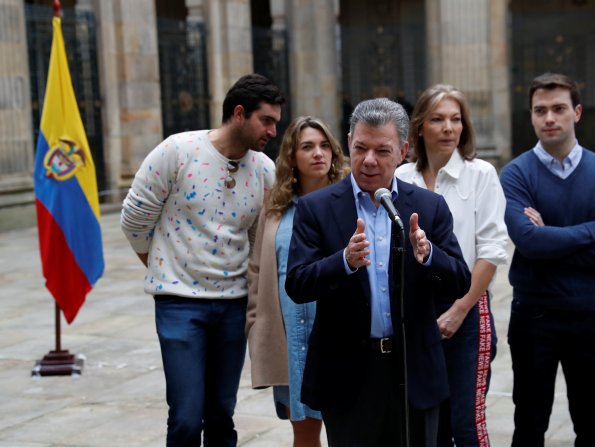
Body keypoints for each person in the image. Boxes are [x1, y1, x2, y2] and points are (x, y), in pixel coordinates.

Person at [285, 98, 471, 447]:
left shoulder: (428, 207)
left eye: (382, 151)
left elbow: (461, 280)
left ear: (402, 151)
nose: (369, 160)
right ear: (350, 142)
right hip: (348, 374)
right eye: (360, 148)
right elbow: (297, 283)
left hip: (412, 370)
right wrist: (343, 261)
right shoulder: (317, 208)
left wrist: (429, 254)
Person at [120, 74, 285, 447]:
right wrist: (165, 268)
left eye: (276, 121)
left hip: (233, 307)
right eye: (267, 120)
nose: (273, 131)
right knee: (185, 417)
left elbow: (261, 239)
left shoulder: (264, 170)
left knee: (221, 416)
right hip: (179, 306)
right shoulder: (177, 152)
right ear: (239, 114)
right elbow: (134, 220)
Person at [499, 72, 595, 447]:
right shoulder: (514, 174)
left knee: (593, 427)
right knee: (529, 425)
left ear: (576, 112)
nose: (549, 118)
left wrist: (549, 240)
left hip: (592, 316)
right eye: (540, 110)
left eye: (558, 108)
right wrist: (594, 229)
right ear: (531, 116)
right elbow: (528, 243)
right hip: (534, 319)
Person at [396, 84, 508, 447]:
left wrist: (461, 309)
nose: (448, 128)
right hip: (416, 313)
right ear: (420, 127)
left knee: (467, 423)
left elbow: (491, 249)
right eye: (438, 119)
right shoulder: (401, 179)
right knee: (430, 427)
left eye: (456, 120)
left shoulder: (481, 175)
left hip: (468, 307)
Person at [246, 116, 348, 446]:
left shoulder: (350, 203)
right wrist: (254, 326)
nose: (318, 154)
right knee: (303, 433)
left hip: (337, 337)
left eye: (324, 146)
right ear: (292, 156)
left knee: (346, 429)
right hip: (290, 337)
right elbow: (257, 270)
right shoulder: (275, 209)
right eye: (307, 147)